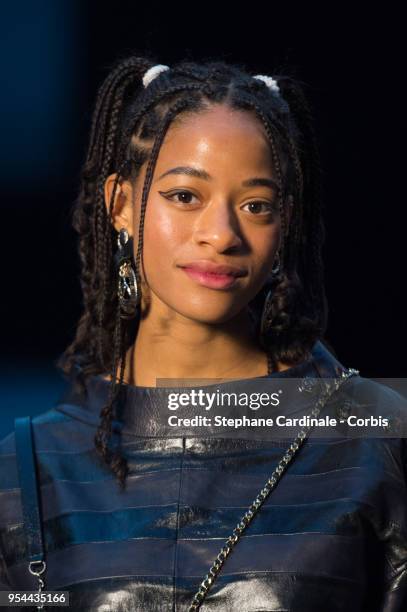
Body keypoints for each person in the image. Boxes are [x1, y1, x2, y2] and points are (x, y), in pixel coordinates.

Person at [0, 55, 406, 612]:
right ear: (120, 204)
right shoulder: (27, 468)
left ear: (284, 223)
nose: (221, 234)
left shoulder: (375, 440)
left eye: (256, 206)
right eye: (185, 196)